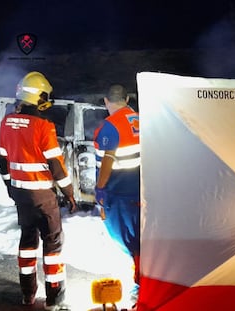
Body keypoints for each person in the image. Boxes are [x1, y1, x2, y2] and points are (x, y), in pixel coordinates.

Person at [0, 71, 76, 311]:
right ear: (38, 96)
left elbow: (2, 162)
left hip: (21, 195)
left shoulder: (6, 122)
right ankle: (54, 298)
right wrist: (69, 193)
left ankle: (27, 294)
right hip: (43, 196)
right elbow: (57, 167)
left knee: (27, 241)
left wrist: (11, 186)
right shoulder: (44, 126)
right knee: (52, 246)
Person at [93, 84, 141, 306]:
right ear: (128, 99)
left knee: (129, 242)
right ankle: (142, 283)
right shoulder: (142, 120)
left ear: (106, 101)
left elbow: (108, 160)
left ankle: (140, 288)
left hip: (119, 195)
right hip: (142, 190)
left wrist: (100, 188)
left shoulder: (110, 126)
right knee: (142, 242)